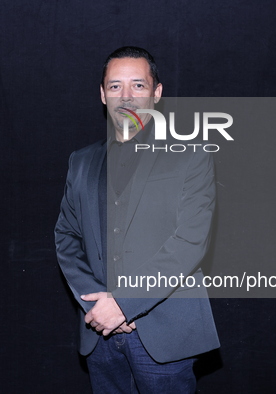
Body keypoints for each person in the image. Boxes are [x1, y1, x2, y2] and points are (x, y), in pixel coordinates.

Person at [55, 46, 219, 393]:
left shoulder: (192, 155)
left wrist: (123, 305)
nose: (126, 96)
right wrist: (98, 302)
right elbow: (67, 236)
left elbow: (190, 241)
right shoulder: (81, 161)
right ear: (102, 95)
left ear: (157, 93)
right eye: (115, 86)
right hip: (99, 333)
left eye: (138, 85)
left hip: (164, 336)